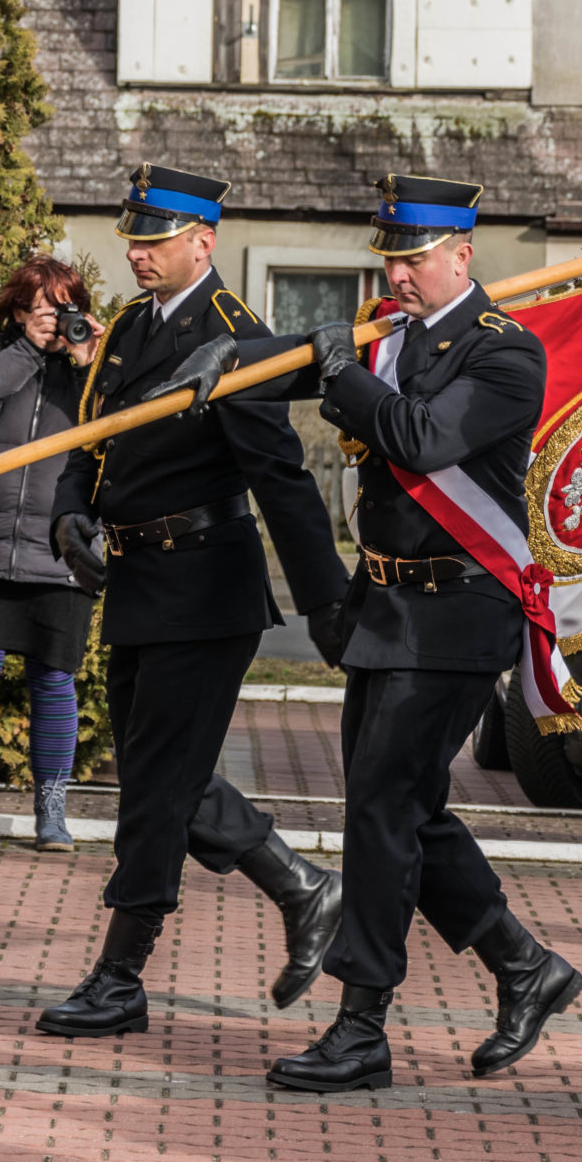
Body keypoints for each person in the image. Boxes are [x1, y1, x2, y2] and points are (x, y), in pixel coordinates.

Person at [154, 173, 582, 1095]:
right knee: (401, 808)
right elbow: (295, 365)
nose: (397, 276)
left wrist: (337, 367)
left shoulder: (506, 353)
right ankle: (523, 965)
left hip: (461, 612)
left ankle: (363, 1026)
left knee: (383, 809)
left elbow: (420, 438)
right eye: (390, 260)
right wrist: (230, 355)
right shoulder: (390, 336)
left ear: (462, 255)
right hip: (388, 611)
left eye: (414, 259)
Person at [34, 164, 351, 1038]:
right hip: (139, 582)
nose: (137, 254)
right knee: (154, 774)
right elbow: (91, 443)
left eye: (156, 241)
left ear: (203, 243)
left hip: (207, 587)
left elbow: (281, 478)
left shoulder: (236, 339)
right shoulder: (131, 329)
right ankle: (303, 886)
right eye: (133, 240)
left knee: (156, 788)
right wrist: (69, 514)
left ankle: (120, 975)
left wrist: (326, 602)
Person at [0, 255, 104, 853]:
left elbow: (118, 425)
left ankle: (52, 814)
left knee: (54, 683)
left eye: (63, 306)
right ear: (20, 307)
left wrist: (90, 363)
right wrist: (27, 349)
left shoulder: (94, 363)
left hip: (60, 551)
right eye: (40, 306)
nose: (52, 317)